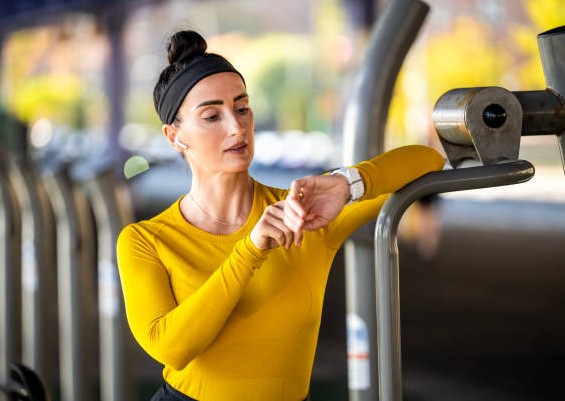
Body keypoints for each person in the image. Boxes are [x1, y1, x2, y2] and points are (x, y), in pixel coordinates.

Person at [117, 30, 445, 401]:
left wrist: (345, 184)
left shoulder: (304, 212)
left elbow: (427, 160)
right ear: (174, 136)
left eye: (242, 108)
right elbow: (171, 347)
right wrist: (250, 250)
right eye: (212, 116)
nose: (236, 127)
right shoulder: (146, 240)